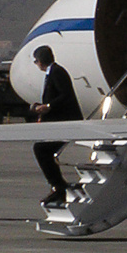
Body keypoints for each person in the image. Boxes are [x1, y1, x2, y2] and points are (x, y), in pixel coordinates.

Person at [30, 46, 83, 206]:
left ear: (40, 61)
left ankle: (59, 186)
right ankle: (58, 186)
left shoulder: (57, 72)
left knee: (41, 150)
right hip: (59, 123)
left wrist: (49, 106)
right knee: (42, 149)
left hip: (65, 123)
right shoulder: (53, 72)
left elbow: (66, 96)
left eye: (36, 61)